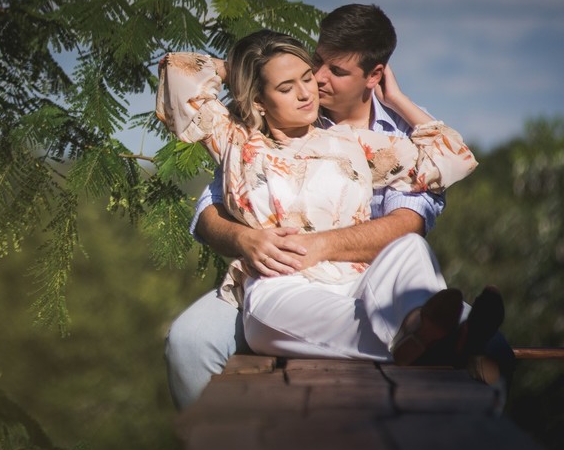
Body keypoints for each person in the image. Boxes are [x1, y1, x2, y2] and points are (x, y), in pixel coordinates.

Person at [155, 28, 501, 393]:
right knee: (288, 315)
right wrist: (244, 67)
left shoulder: (352, 144)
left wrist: (397, 99)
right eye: (286, 88)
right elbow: (177, 70)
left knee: (410, 248)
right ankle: (437, 343)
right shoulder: (234, 139)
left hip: (357, 282)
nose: (306, 93)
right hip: (283, 285)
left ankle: (420, 327)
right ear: (258, 100)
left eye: (307, 78)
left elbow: (454, 158)